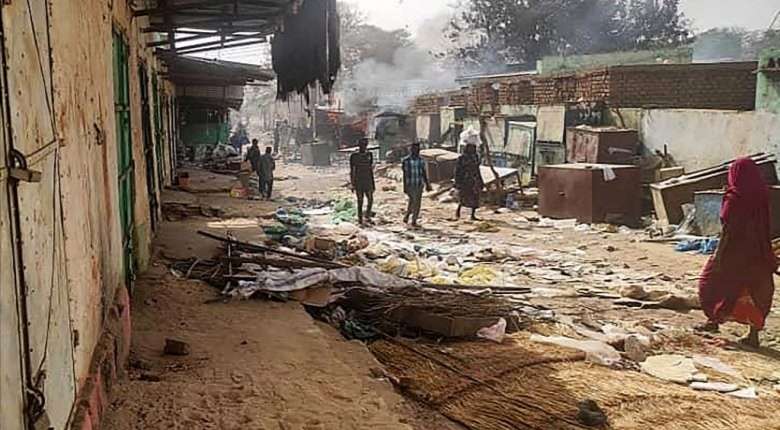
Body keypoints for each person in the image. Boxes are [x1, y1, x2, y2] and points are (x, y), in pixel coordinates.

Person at [697, 158, 777, 347]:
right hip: (758, 251)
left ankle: (713, 320)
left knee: (711, 284)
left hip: (734, 251)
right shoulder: (763, 195)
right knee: (756, 291)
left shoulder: (734, 197)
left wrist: (719, 255)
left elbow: (728, 228)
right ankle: (753, 335)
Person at [402, 142, 432, 227]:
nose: (416, 151)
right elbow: (405, 174)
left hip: (419, 184)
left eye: (418, 149)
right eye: (414, 149)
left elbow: (423, 172)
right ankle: (408, 214)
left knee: (417, 202)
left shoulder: (421, 160)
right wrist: (405, 186)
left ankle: (413, 220)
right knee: (413, 201)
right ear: (411, 150)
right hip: (410, 184)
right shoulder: (406, 161)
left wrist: (427, 184)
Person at [454, 142, 484, 221]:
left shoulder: (475, 157)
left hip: (474, 180)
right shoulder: (462, 158)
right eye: (471, 148)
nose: (473, 149)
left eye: (474, 148)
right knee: (463, 197)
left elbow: (477, 169)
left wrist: (481, 181)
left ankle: (472, 215)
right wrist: (457, 182)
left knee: (475, 198)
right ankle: (458, 211)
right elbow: (457, 170)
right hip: (464, 180)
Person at [350, 138, 375, 225]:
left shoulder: (369, 155)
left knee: (370, 199)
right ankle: (360, 218)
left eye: (365, 145)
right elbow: (352, 170)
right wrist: (352, 183)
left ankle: (367, 215)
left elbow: (370, 169)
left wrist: (373, 183)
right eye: (362, 145)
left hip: (368, 180)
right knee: (360, 200)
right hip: (358, 180)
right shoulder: (354, 156)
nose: (364, 147)